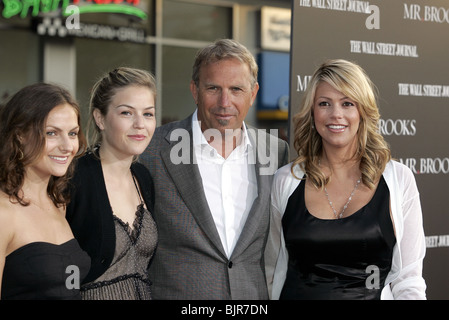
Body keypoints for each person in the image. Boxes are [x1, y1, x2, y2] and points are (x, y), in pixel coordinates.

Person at [139, 38, 289, 300]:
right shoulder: (151, 151)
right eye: (213, 88)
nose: (224, 102)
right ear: (194, 90)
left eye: (236, 89)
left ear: (253, 94)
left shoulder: (276, 152)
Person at [265, 59, 426, 300]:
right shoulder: (286, 180)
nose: (336, 114)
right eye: (324, 104)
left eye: (347, 103)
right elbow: (271, 268)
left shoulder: (398, 179)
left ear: (362, 111)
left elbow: (408, 278)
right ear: (312, 112)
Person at [66, 67, 158, 300]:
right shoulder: (74, 176)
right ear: (100, 118)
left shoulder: (142, 177)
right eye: (127, 113)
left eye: (148, 114)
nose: (140, 124)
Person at [0, 83, 90, 300]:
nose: (67, 145)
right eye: (51, 133)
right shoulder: (3, 213)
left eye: (72, 133)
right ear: (20, 134)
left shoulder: (59, 203)